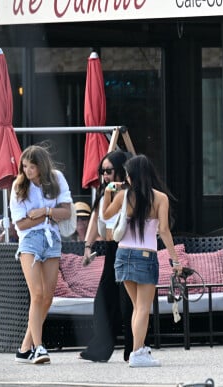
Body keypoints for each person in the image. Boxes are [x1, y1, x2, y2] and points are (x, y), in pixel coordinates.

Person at [102, 154, 181, 367]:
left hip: (123, 254)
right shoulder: (160, 198)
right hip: (145, 256)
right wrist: (175, 260)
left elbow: (106, 215)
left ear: (131, 175)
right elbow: (163, 230)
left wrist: (108, 191)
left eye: (127, 174)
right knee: (143, 308)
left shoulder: (123, 196)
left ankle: (139, 349)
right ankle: (137, 353)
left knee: (138, 307)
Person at [9, 144, 73, 365]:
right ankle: (38, 347)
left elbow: (66, 212)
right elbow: (22, 223)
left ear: (41, 166)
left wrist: (44, 212)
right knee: (36, 294)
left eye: (31, 167)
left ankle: (24, 348)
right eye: (24, 166)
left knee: (47, 297)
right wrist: (48, 216)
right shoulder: (18, 186)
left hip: (52, 239)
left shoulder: (56, 178)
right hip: (30, 241)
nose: (27, 171)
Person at [79, 150, 134, 363]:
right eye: (102, 171)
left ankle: (133, 349)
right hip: (112, 249)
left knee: (127, 301)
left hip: (128, 248)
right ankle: (100, 348)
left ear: (121, 170)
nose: (105, 176)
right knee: (103, 299)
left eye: (109, 171)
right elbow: (97, 219)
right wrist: (87, 246)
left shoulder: (130, 194)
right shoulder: (105, 193)